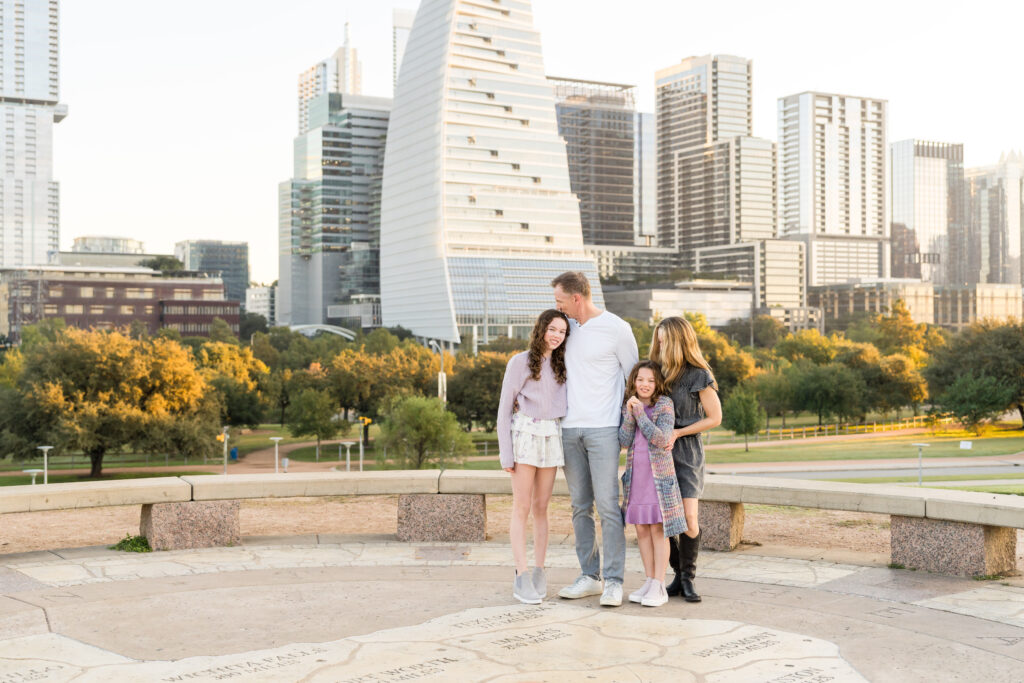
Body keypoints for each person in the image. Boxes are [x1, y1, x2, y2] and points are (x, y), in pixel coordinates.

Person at [551, 271, 638, 607]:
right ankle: (590, 576)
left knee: (607, 506)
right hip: (569, 430)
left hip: (604, 429)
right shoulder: (564, 328)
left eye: (560, 300)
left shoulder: (617, 329)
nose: (556, 306)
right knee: (579, 507)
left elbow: (635, 381)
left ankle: (614, 581)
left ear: (577, 298)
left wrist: (628, 430)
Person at [496, 309, 570, 604]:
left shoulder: (563, 366)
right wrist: (505, 453)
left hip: (551, 436)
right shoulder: (520, 362)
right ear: (541, 329)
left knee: (542, 507)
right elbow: (504, 409)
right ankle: (521, 573)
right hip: (525, 435)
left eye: (562, 332)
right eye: (552, 329)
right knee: (522, 506)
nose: (556, 336)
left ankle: (539, 570)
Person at [649, 316, 722, 603]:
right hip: (658, 454)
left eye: (665, 338)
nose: (660, 343)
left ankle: (688, 578)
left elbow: (715, 418)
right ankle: (678, 576)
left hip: (687, 452)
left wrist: (679, 432)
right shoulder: (654, 372)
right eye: (658, 338)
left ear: (680, 340)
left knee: (689, 518)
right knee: (666, 519)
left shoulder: (698, 374)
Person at [618, 360, 686, 607]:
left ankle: (659, 584)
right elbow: (624, 440)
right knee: (642, 531)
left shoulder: (664, 405)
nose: (645, 385)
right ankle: (648, 580)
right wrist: (629, 413)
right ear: (633, 382)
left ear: (657, 383)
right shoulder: (631, 406)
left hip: (659, 480)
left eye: (650, 380)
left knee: (658, 530)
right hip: (636, 478)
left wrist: (640, 416)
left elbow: (661, 438)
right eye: (640, 380)